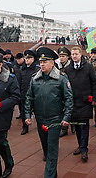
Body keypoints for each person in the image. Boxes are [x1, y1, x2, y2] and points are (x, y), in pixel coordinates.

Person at [24, 47, 73, 178]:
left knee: (52, 149)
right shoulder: (35, 79)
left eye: (45, 62)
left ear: (52, 63)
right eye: (40, 62)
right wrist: (27, 115)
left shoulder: (61, 78)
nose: (42, 64)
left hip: (55, 119)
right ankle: (53, 173)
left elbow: (69, 98)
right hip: (40, 119)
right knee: (46, 149)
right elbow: (29, 97)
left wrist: (66, 117)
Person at [64, 47, 96, 162]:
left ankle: (84, 149)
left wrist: (94, 98)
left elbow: (94, 82)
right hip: (73, 102)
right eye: (72, 54)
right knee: (77, 126)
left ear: (81, 54)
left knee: (84, 126)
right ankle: (80, 145)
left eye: (76, 54)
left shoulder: (88, 67)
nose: (74, 56)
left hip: (85, 102)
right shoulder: (68, 69)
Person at [19, 49, 40, 135]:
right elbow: (19, 81)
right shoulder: (21, 69)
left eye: (29, 58)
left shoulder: (37, 69)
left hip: (35, 94)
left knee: (37, 111)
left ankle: (40, 125)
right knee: (24, 112)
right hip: (24, 94)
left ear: (33, 59)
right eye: (26, 58)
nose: (27, 60)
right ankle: (25, 127)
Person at [56, 46, 72, 137]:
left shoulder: (70, 66)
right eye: (60, 56)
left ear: (67, 57)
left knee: (69, 108)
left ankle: (72, 124)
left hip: (70, 90)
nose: (61, 58)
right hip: (60, 90)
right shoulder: (56, 66)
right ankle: (64, 128)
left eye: (63, 56)